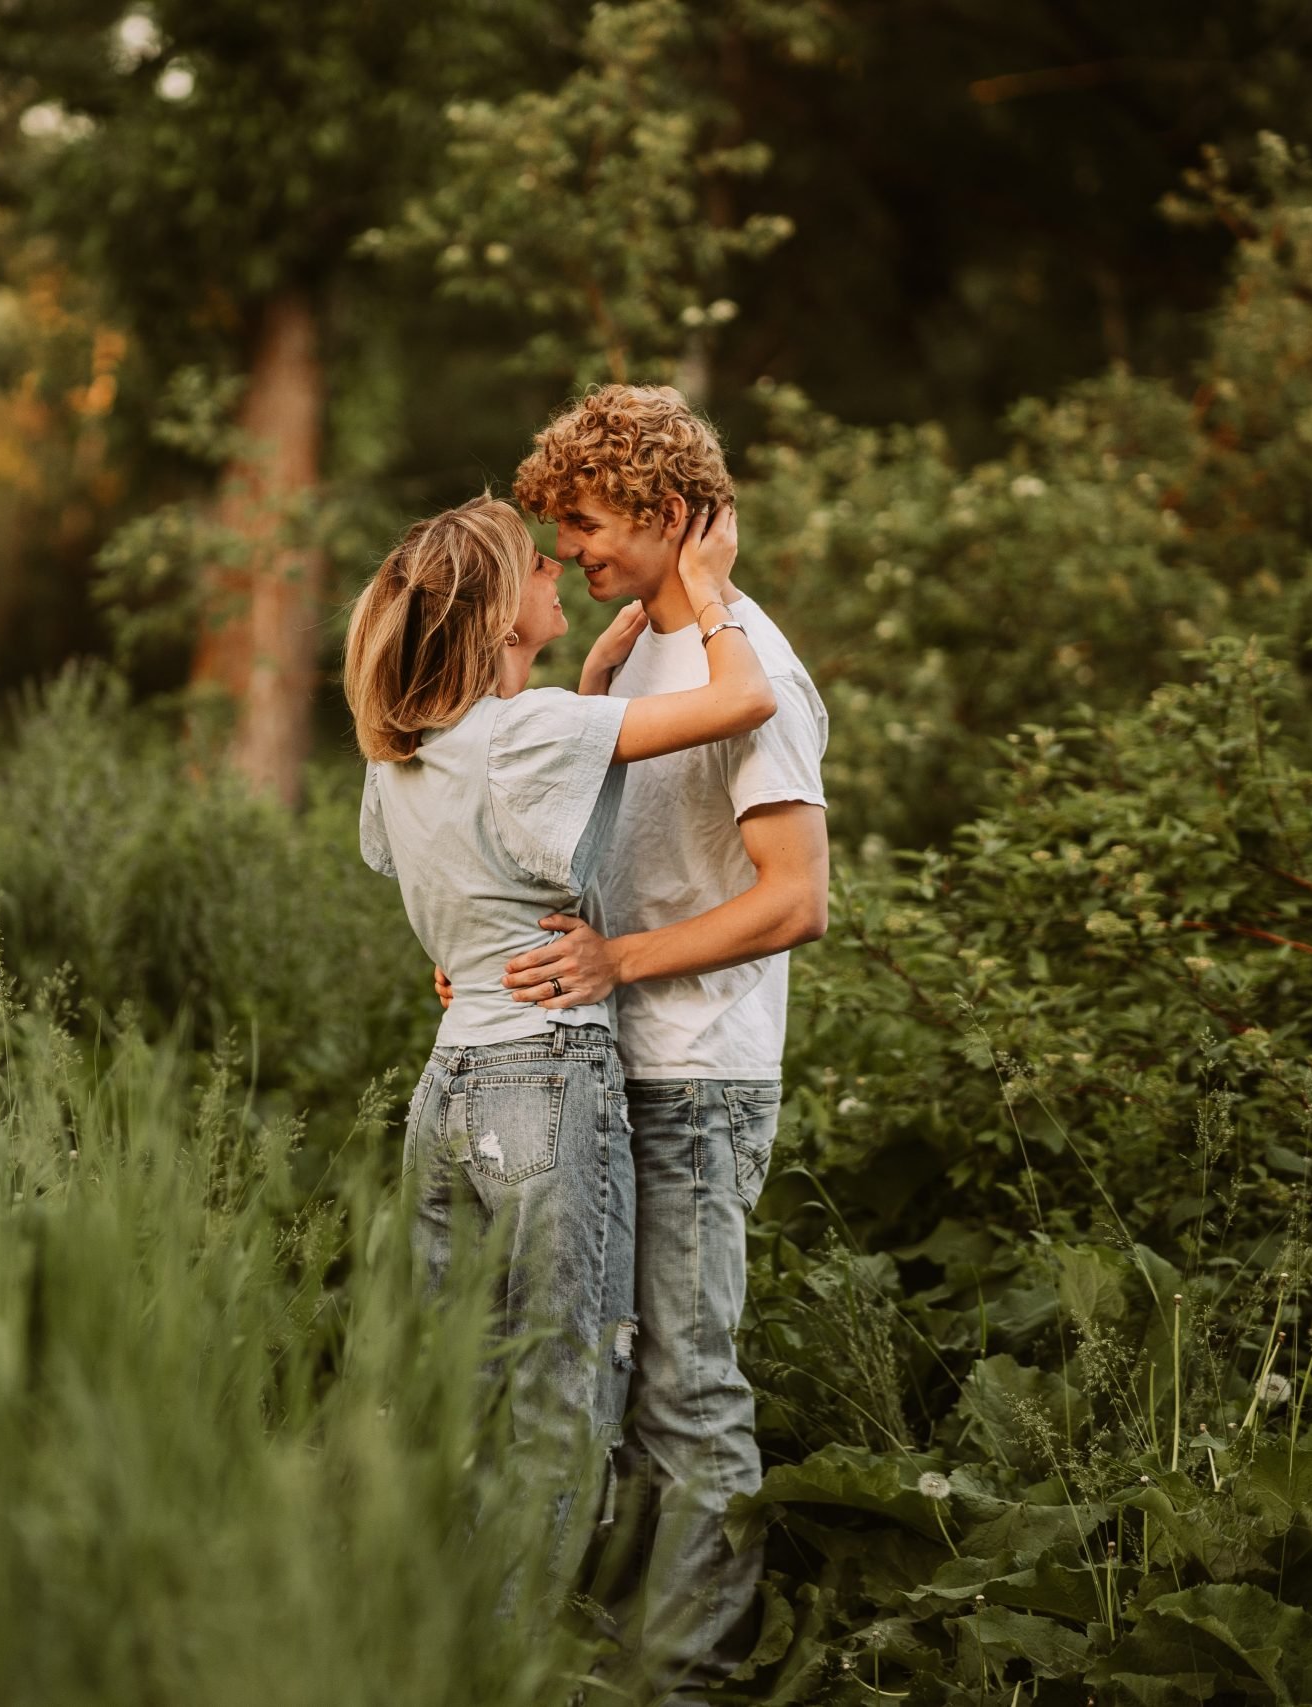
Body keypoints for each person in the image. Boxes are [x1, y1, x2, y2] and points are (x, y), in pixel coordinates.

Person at [342, 491, 772, 1593]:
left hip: (449, 1089)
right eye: (537, 568)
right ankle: (516, 1658)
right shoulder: (528, 733)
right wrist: (712, 588)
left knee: (463, 1384)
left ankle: (432, 1635)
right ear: (498, 617)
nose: (556, 577)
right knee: (564, 1393)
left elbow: (501, 840)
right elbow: (744, 698)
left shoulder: (402, 757)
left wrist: (586, 691)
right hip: (545, 1080)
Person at [496, 386, 831, 1704]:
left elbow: (795, 898)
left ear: (663, 508)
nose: (570, 549)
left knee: (688, 1387)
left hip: (700, 1079)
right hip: (611, 1068)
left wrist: (615, 960)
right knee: (611, 1377)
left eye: (585, 521)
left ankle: (689, 1678)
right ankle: (616, 1648)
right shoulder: (636, 648)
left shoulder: (758, 673)